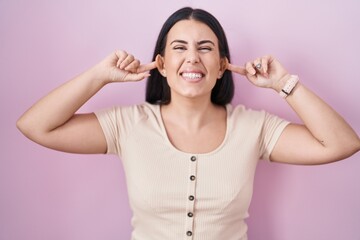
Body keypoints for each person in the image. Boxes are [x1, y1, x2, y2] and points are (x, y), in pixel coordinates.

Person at [17, 6, 360, 240]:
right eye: (179, 48)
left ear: (223, 65)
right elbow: (36, 125)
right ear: (162, 65)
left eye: (205, 48)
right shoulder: (128, 125)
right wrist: (99, 76)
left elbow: (342, 143)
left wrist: (283, 83)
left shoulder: (254, 128)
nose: (193, 57)